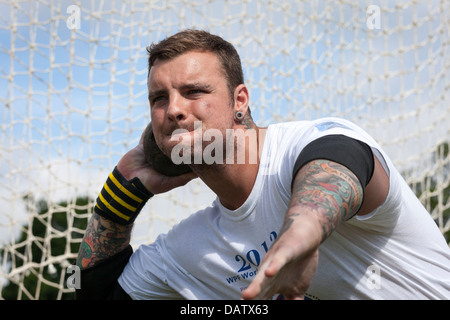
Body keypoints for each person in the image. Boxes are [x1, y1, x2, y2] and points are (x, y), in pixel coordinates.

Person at [76, 29, 450, 300]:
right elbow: (98, 295)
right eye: (159, 98)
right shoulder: (192, 249)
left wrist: (300, 238)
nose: (173, 109)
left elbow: (338, 166)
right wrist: (123, 188)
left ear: (240, 100)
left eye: (193, 92)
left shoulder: (312, 143)